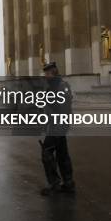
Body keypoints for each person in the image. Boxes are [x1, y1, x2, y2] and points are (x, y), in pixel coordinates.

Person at [39, 61, 75, 195]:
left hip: (58, 125)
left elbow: (63, 108)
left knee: (47, 153)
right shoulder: (52, 87)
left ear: (53, 73)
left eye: (47, 73)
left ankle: (54, 183)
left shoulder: (61, 86)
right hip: (56, 125)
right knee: (62, 154)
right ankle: (68, 182)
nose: (45, 76)